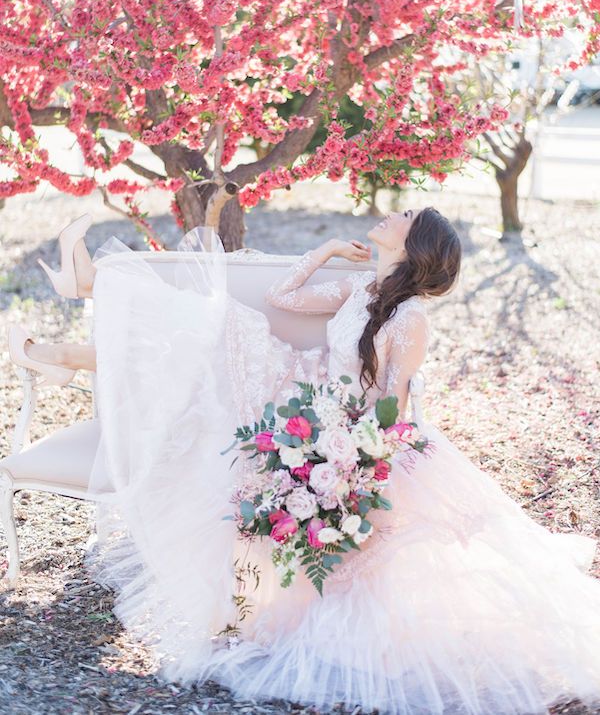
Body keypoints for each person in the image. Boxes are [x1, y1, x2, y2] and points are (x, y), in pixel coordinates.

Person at [7, 208, 600, 715]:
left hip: (338, 427)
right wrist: (323, 251)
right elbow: (282, 298)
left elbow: (389, 407)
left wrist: (341, 455)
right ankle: (80, 307)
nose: (391, 216)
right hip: (302, 394)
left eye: (405, 218)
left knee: (213, 339)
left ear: (414, 244)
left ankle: (68, 334)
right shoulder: (365, 291)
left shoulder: (409, 318)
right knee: (214, 330)